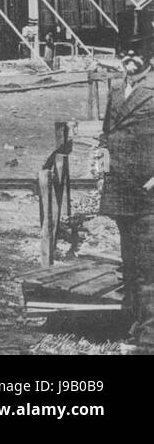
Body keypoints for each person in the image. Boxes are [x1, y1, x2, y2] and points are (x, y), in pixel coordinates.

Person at [99, 33, 154, 353]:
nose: (129, 57)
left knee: (150, 269)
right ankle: (136, 332)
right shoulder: (117, 89)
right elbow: (107, 135)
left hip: (149, 195)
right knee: (130, 266)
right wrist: (101, 163)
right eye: (124, 52)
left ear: (149, 55)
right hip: (121, 191)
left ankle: (149, 341)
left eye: (136, 52)